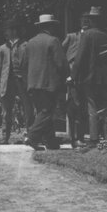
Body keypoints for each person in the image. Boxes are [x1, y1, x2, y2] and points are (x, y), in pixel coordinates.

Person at [17, 13, 68, 150]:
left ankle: (51, 142)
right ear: (50, 26)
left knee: (42, 112)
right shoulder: (53, 41)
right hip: (48, 84)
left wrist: (28, 80)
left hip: (33, 84)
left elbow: (23, 65)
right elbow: (61, 63)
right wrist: (66, 77)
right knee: (46, 112)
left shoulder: (30, 42)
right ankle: (32, 136)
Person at [72, 6, 107, 147]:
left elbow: (80, 58)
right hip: (106, 76)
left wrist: (73, 76)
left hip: (91, 77)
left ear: (91, 20)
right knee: (104, 106)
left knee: (92, 107)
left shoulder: (88, 35)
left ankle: (94, 138)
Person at [62, 14, 91, 149]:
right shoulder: (72, 37)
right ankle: (74, 138)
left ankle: (79, 137)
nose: (85, 22)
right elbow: (60, 53)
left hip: (86, 76)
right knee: (74, 106)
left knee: (83, 107)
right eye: (82, 20)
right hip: (72, 77)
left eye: (87, 20)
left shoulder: (91, 36)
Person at [0, 21, 23, 144]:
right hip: (7, 82)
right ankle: (5, 137)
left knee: (27, 109)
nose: (6, 33)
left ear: (14, 31)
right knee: (6, 111)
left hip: (21, 81)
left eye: (8, 30)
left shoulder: (24, 45)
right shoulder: (2, 48)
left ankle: (31, 136)